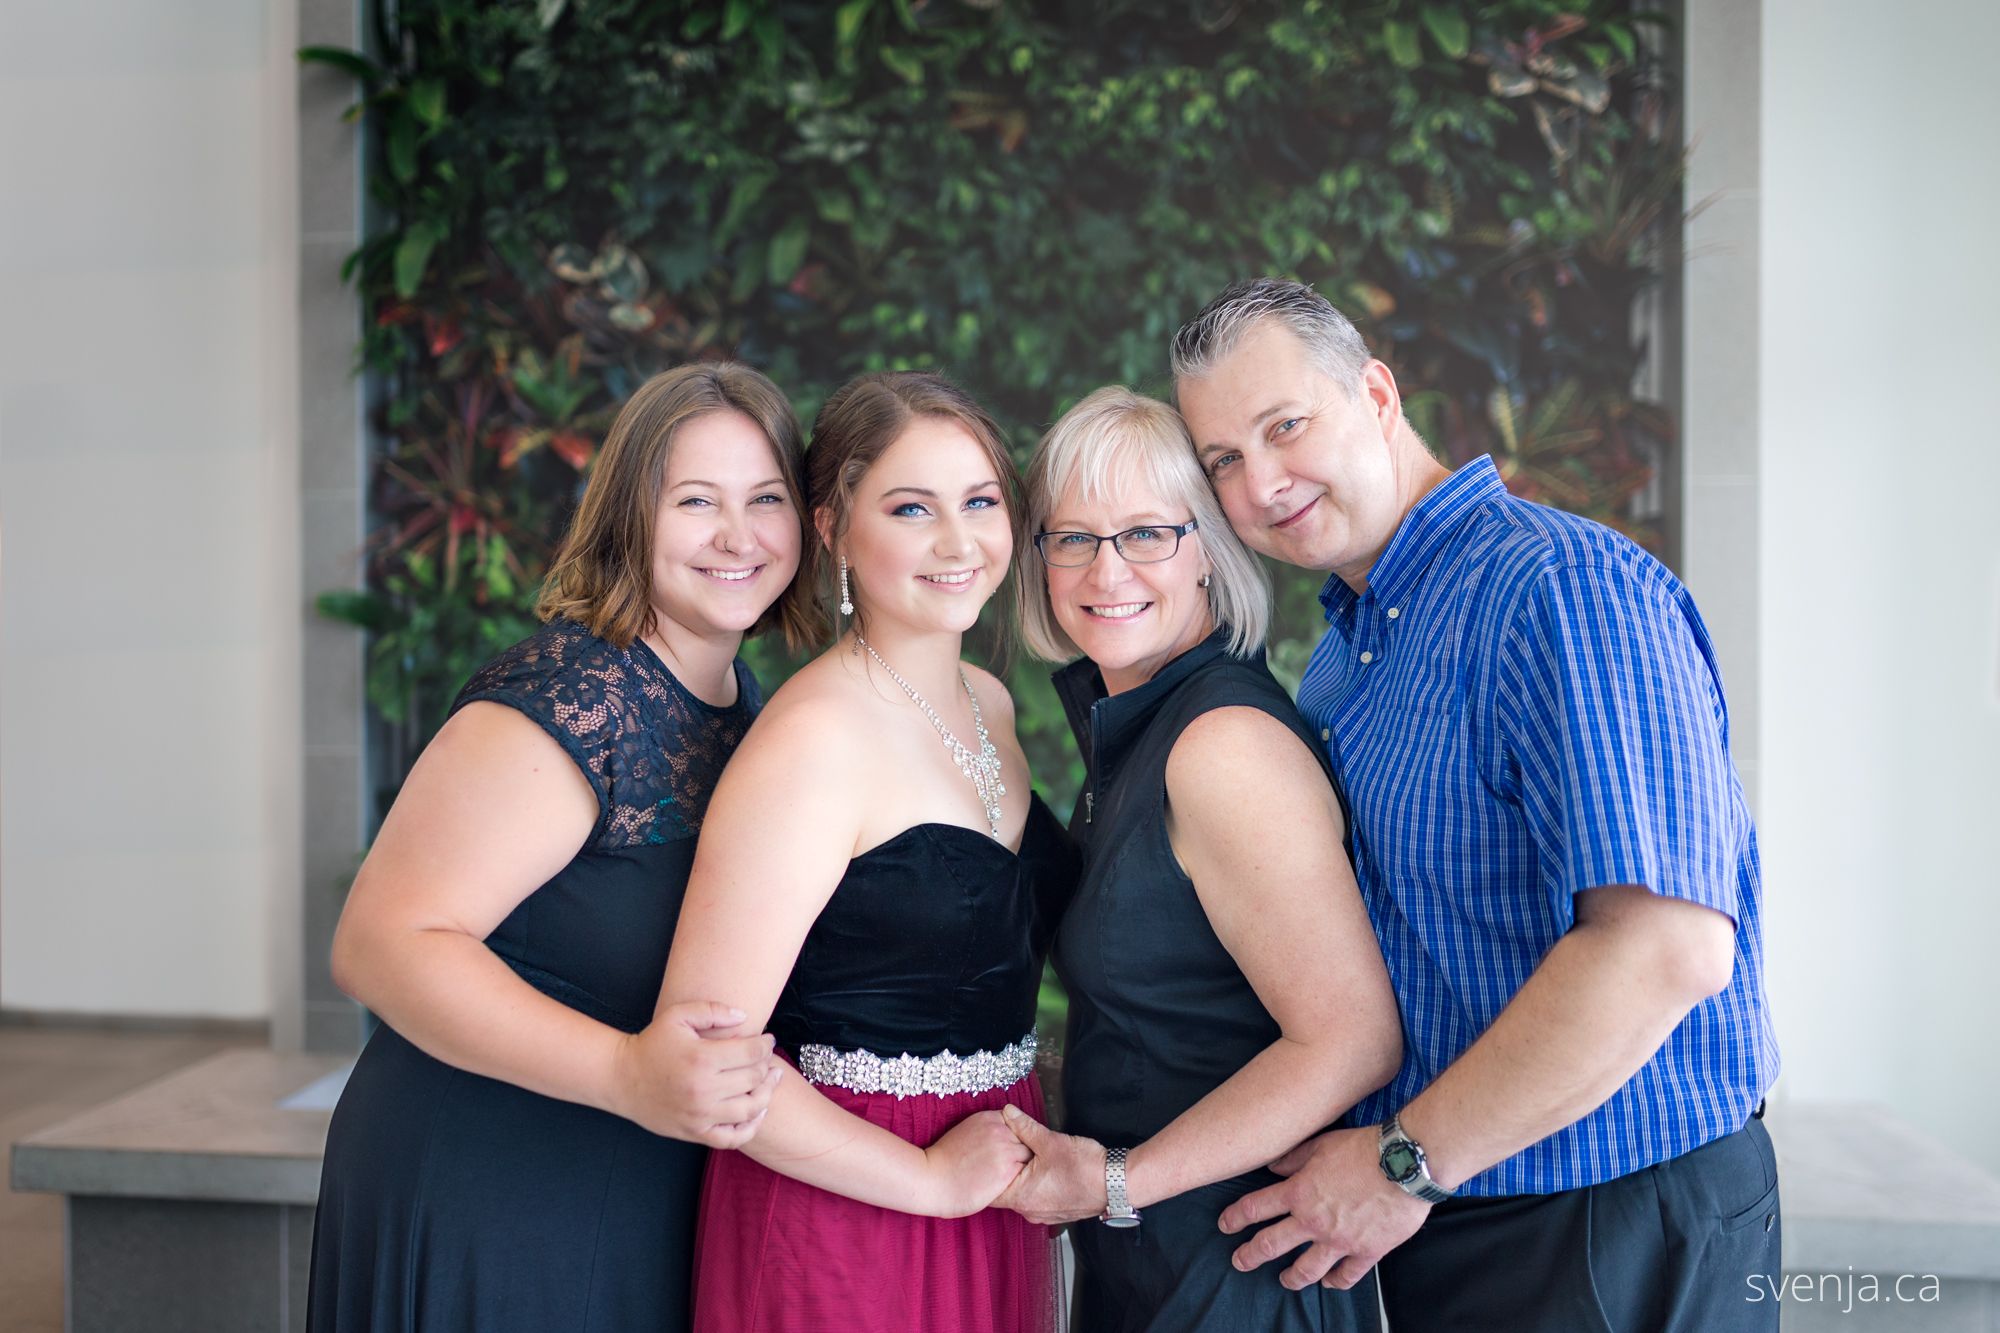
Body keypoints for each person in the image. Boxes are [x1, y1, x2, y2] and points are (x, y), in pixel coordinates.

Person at [1170, 277, 1781, 1331]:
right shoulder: (1348, 648)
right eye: (1223, 459)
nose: (1260, 482)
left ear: (1373, 392)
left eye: (1283, 426)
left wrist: (1404, 1164)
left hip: (1601, 1220)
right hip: (1455, 1213)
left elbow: (1664, 947)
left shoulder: (1557, 588)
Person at [309, 362, 819, 1333]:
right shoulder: (566, 697)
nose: (736, 536)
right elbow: (377, 942)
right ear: (629, 516)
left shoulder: (746, 705)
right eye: (695, 501)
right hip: (488, 1184)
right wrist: (629, 1074)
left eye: (765, 499)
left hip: (632, 1177)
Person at [661, 371, 1072, 1333]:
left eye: (979, 502)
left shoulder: (990, 701)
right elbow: (705, 1053)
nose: (959, 541)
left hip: (991, 1188)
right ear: (835, 526)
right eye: (911, 508)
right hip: (851, 1207)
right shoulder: (813, 741)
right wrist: (927, 1179)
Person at [990, 387, 1402, 1332]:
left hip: (1235, 1271)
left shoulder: (1221, 744)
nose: (1108, 569)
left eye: (1147, 533)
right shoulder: (1137, 729)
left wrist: (1115, 1181)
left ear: (1210, 551)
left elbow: (1351, 1039)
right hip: (1154, 1257)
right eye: (1074, 537)